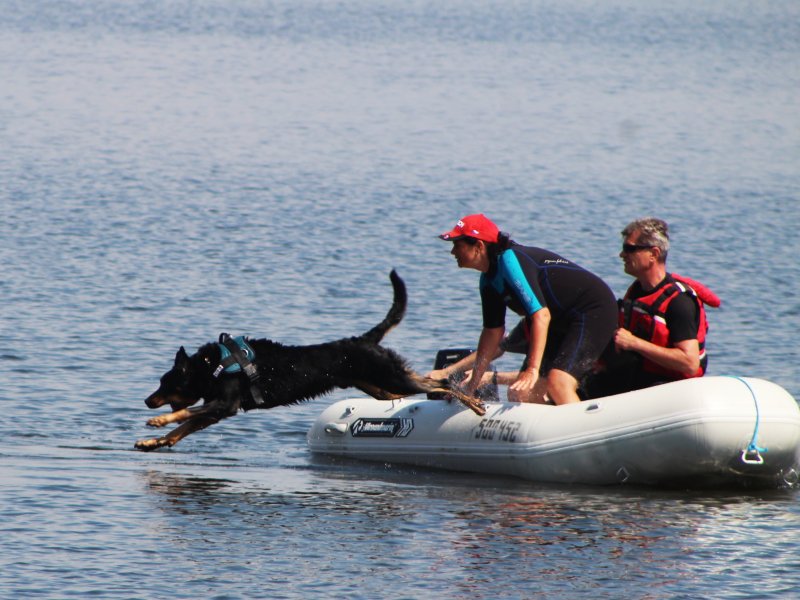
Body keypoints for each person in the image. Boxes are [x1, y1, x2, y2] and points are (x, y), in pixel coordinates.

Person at [438, 213, 618, 405]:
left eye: (457, 245)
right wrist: (472, 385)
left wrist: (533, 369)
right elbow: (492, 333)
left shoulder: (510, 259)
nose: (453, 252)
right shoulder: (488, 281)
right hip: (560, 321)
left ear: (479, 246)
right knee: (521, 393)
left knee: (558, 382)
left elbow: (541, 315)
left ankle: (586, 430)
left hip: (593, 310)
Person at [587, 217, 719, 397]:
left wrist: (634, 343)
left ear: (653, 254)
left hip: (670, 387)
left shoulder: (679, 302)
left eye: (629, 249)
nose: (622, 255)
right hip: (639, 374)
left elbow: (689, 363)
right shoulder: (636, 291)